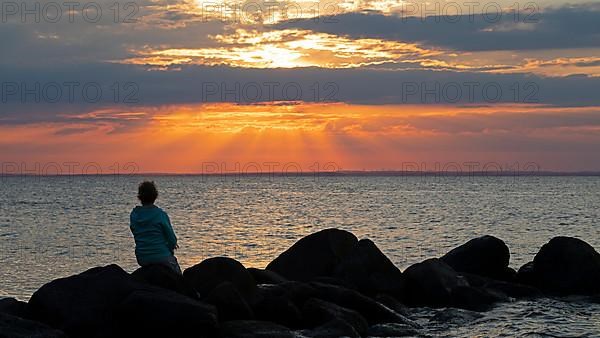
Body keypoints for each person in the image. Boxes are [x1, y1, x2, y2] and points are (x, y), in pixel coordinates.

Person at [130, 181, 182, 275]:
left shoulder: (134, 215)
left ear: (139, 197)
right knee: (179, 278)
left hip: (142, 258)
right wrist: (170, 250)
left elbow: (135, 233)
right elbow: (172, 240)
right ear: (155, 196)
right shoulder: (160, 214)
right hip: (162, 258)